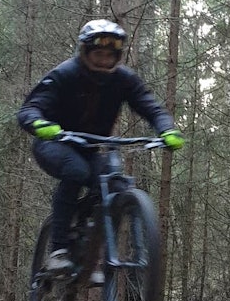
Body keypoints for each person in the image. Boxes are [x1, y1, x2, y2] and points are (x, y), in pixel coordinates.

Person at [17, 19, 184, 275]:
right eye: (98, 53)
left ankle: (89, 250)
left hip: (91, 149)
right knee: (76, 171)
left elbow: (151, 107)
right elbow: (30, 108)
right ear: (84, 52)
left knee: (117, 185)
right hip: (53, 144)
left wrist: (167, 129)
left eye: (110, 55)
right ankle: (59, 249)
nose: (104, 60)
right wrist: (41, 125)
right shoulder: (65, 74)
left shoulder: (123, 80)